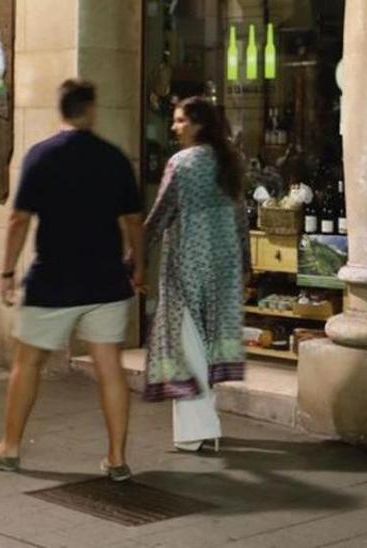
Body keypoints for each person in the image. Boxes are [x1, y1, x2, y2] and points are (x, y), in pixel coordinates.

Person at [0, 80, 142, 482]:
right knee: (110, 369)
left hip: (53, 281)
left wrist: (8, 271)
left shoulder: (41, 156)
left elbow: (19, 220)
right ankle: (116, 458)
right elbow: (134, 221)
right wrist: (139, 266)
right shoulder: (114, 158)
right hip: (105, 280)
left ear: (61, 110)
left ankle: (9, 449)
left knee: (27, 363)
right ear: (91, 110)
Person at [144, 96, 248, 452]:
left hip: (187, 266)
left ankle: (196, 433)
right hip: (223, 267)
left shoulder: (181, 163)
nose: (174, 127)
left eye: (179, 121)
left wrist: (133, 257)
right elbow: (240, 219)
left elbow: (160, 215)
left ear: (198, 124)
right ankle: (200, 428)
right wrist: (245, 267)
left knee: (188, 350)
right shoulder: (229, 161)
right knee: (206, 348)